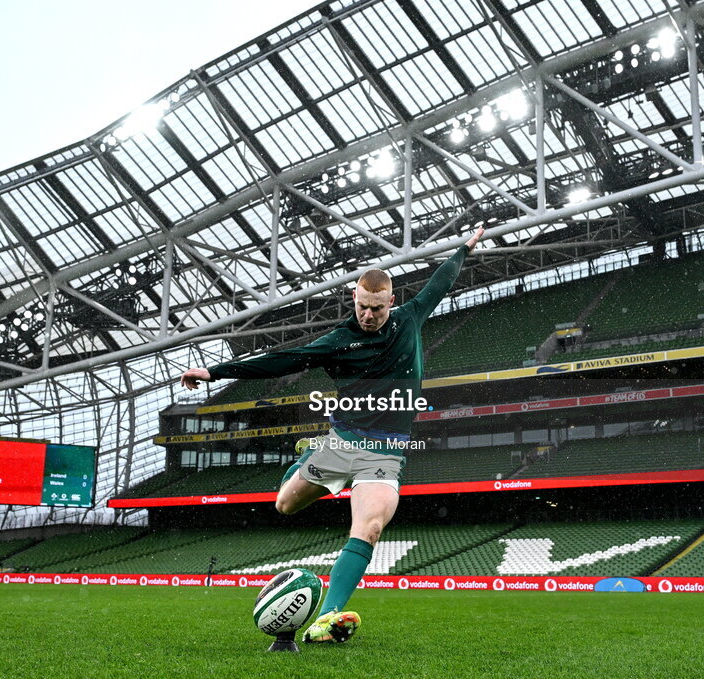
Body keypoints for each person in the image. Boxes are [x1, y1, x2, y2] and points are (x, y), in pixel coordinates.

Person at [179, 227, 484, 643]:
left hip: (385, 451)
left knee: (370, 527)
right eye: (363, 307)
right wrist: (214, 372)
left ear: (390, 302)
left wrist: (463, 249)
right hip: (340, 443)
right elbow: (280, 361)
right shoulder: (339, 341)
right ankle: (305, 460)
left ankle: (327, 619)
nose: (369, 315)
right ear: (353, 300)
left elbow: (441, 281)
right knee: (284, 505)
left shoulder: (410, 317)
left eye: (377, 308)